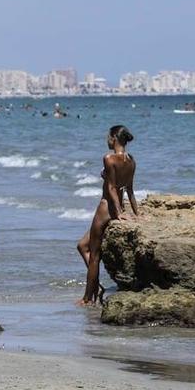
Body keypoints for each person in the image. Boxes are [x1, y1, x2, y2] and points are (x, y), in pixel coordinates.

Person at [77, 125, 139, 305]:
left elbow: (111, 188)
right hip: (117, 206)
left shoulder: (109, 158)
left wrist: (117, 212)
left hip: (105, 208)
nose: (106, 140)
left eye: (108, 137)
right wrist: (136, 213)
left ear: (114, 138)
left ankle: (88, 298)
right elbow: (130, 190)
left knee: (94, 256)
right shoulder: (131, 160)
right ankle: (95, 286)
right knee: (82, 246)